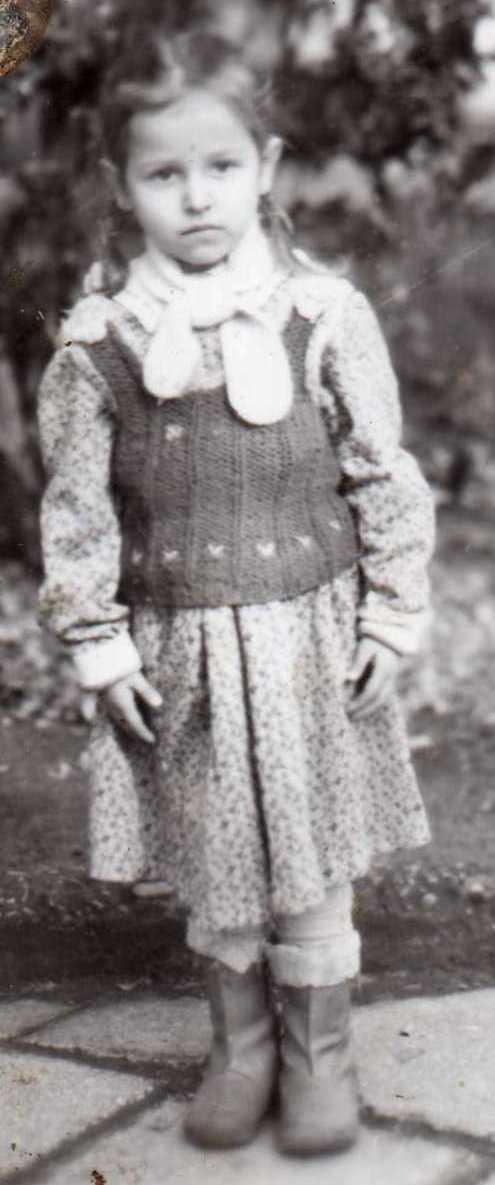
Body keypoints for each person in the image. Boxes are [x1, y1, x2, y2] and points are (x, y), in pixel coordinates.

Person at [37, 29, 434, 1158]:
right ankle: (242, 1048)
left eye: (220, 166)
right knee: (218, 861)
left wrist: (392, 610)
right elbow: (78, 510)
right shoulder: (100, 346)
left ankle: (318, 1056)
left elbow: (380, 470)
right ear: (122, 185)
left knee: (311, 852)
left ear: (265, 166)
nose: (197, 196)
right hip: (187, 650)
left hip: (309, 639)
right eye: (164, 173)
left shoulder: (321, 315)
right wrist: (100, 641)